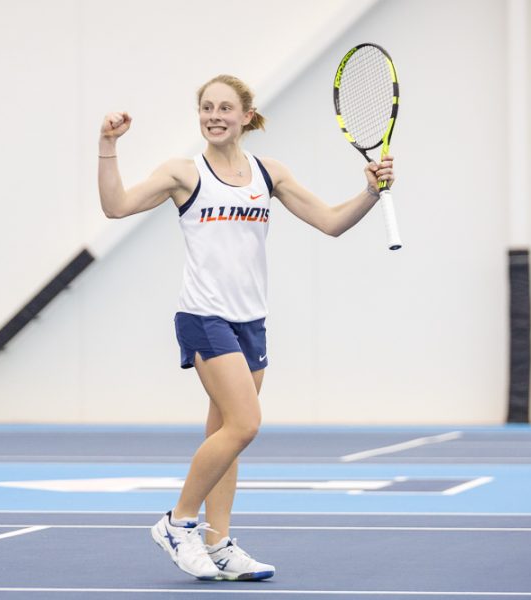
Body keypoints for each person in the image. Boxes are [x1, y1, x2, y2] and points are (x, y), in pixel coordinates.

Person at [97, 74, 395, 581]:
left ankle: (218, 544)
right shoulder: (182, 173)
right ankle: (177, 523)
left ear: (245, 114)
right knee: (246, 423)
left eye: (224, 108)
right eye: (206, 107)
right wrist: (108, 145)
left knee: (227, 434)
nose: (214, 115)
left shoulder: (268, 173)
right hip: (203, 316)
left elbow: (330, 221)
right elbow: (116, 206)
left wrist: (370, 191)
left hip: (250, 321)